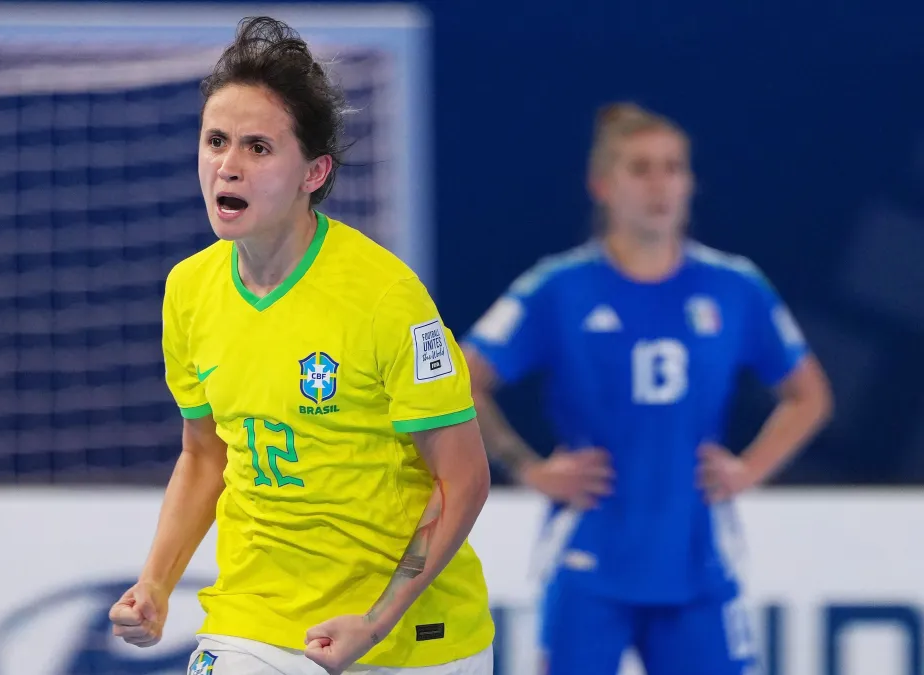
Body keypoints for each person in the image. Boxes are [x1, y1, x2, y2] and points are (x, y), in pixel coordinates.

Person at [107, 16, 496, 675]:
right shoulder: (189, 290)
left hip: (409, 638)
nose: (228, 166)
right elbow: (204, 454)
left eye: (258, 147)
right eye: (215, 141)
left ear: (313, 172)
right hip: (256, 621)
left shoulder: (385, 298)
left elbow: (464, 480)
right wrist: (156, 583)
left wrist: (377, 621)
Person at [461, 102, 833, 674]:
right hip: (589, 559)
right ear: (602, 185)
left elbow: (809, 395)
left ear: (690, 182)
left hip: (697, 560)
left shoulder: (734, 287)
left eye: (673, 167)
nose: (660, 185)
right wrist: (526, 466)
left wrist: (749, 469)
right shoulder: (558, 288)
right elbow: (460, 381)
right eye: (640, 168)